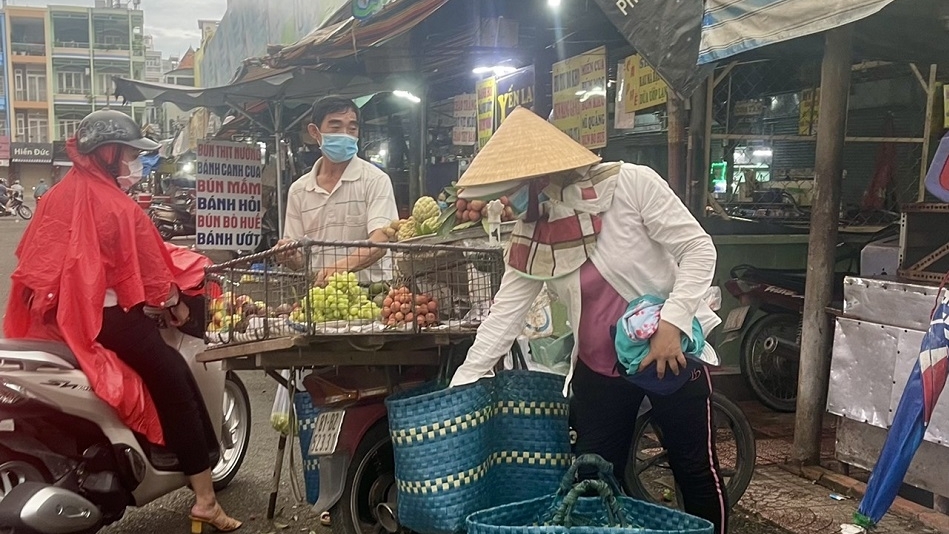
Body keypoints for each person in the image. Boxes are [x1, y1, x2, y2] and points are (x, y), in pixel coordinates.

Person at [449, 108, 728, 533]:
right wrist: (465, 381)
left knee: (693, 469)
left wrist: (672, 322)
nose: (505, 201)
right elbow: (505, 314)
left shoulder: (632, 185)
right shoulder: (534, 233)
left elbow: (698, 249)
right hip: (599, 370)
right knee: (594, 481)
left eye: (512, 189)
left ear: (543, 178)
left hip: (668, 354)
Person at [4, 110, 241, 532]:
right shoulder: (118, 206)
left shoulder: (56, 196)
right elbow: (151, 276)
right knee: (176, 383)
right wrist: (178, 306)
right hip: (109, 322)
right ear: (109, 153)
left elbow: (35, 262)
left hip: (57, 321)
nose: (135, 163)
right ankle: (205, 500)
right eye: (130, 154)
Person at [276, 95, 399, 285]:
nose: (345, 134)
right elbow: (300, 260)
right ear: (314, 132)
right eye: (335, 127)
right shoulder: (299, 191)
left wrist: (341, 267)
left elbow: (381, 241)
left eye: (352, 128)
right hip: (321, 295)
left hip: (373, 293)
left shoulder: (375, 180)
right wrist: (288, 255)